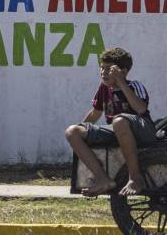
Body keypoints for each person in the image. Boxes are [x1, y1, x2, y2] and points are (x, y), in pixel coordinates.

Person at [64, 47, 161, 196]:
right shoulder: (104, 89)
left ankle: (135, 178)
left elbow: (141, 109)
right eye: (102, 68)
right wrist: (81, 133)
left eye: (109, 69)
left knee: (119, 121)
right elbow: (95, 113)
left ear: (123, 71)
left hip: (141, 129)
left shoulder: (134, 86)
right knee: (72, 131)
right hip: (117, 130)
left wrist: (121, 82)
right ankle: (102, 178)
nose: (103, 72)